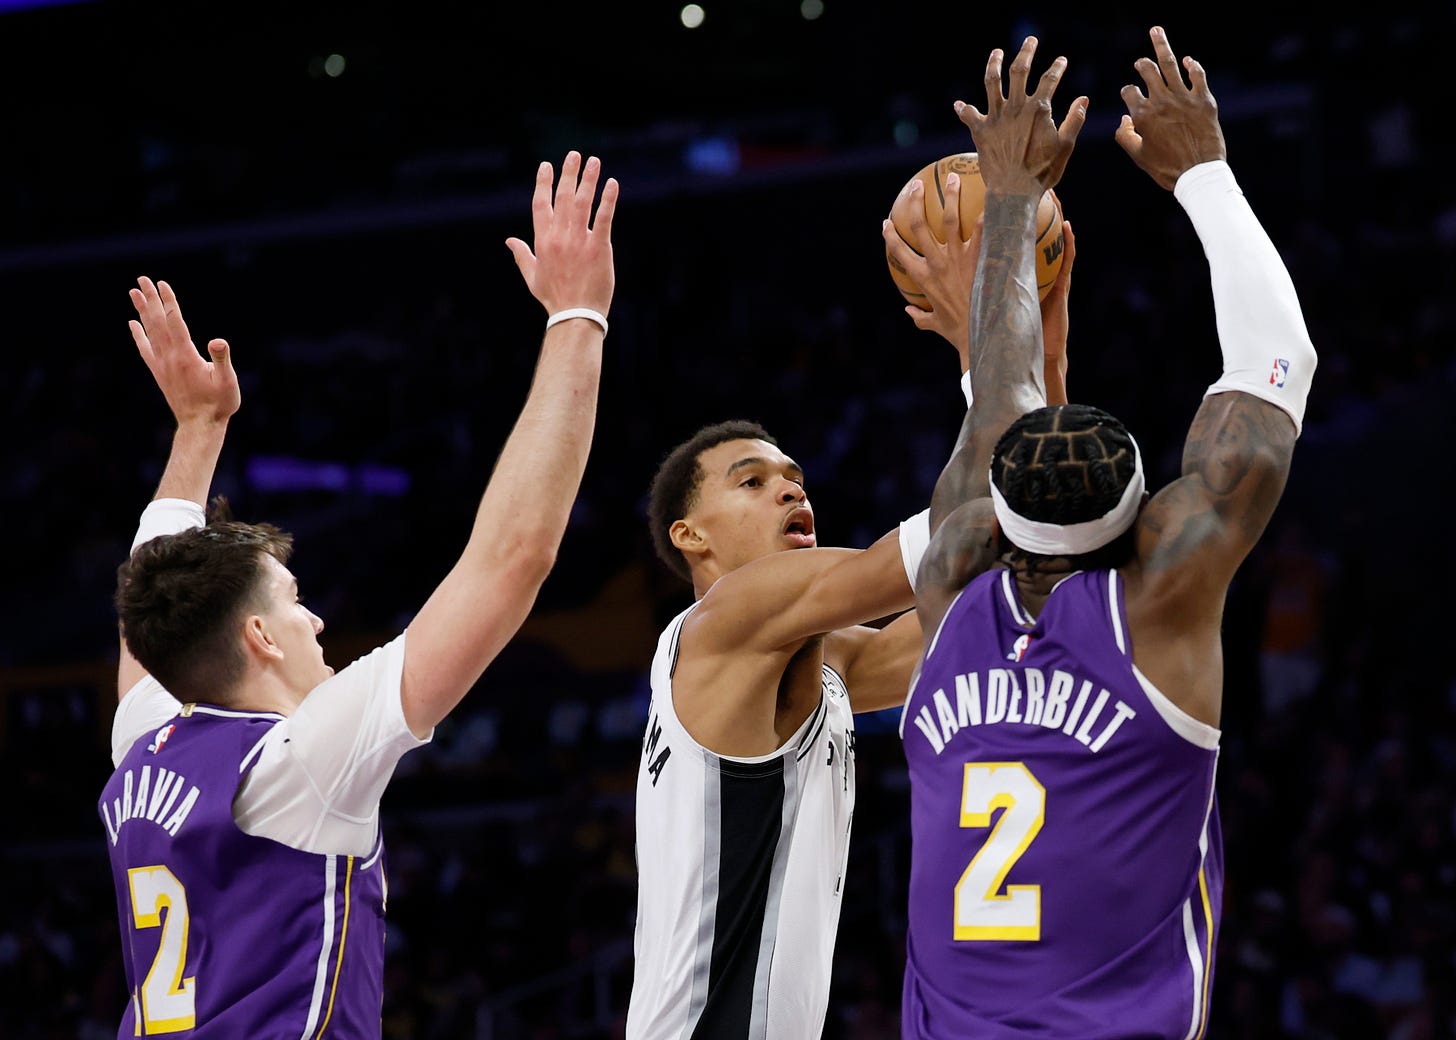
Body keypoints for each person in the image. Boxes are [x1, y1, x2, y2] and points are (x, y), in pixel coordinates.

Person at [98, 151, 617, 1037]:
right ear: (260, 636)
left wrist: (198, 431)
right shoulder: (301, 761)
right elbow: (513, 559)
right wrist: (579, 315)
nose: (316, 619)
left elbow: (148, 602)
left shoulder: (143, 746)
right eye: (294, 599)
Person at [624, 66, 1085, 1038]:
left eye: (794, 474)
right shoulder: (724, 620)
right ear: (688, 535)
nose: (791, 489)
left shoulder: (820, 667)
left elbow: (1004, 569)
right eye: (751, 480)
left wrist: (1041, 334)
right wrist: (993, 283)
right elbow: (968, 522)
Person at [900, 26, 1317, 1038]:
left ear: (995, 512)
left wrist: (1009, 200)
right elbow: (1277, 364)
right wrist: (1202, 171)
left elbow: (996, 407)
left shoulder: (952, 576)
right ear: (1146, 515)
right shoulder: (1161, 595)